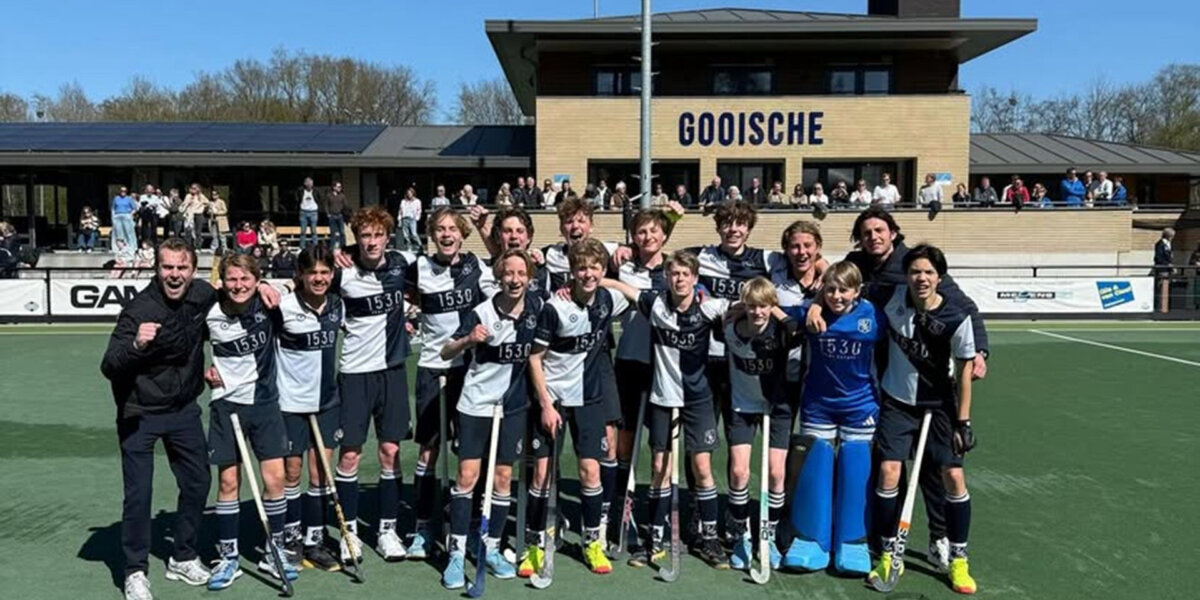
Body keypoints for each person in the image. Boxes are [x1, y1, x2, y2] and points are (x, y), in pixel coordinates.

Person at [100, 238, 280, 600]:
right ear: (157, 269)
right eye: (167, 267)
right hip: (139, 413)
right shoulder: (139, 309)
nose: (174, 274)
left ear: (193, 270)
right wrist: (136, 346)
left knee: (198, 482)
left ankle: (182, 556)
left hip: (183, 409)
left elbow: (235, 291)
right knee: (139, 494)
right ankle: (135, 570)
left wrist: (263, 285)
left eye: (182, 267)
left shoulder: (202, 295)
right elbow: (109, 364)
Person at [599, 252, 731, 569]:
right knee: (660, 466)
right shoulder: (656, 303)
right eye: (674, 274)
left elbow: (747, 305)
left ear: (695, 278)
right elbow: (624, 288)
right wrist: (595, 279)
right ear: (667, 278)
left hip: (698, 399)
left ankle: (709, 538)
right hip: (663, 397)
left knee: (701, 467)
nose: (679, 279)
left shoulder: (710, 307)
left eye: (685, 274)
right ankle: (655, 539)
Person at [867, 245, 980, 596]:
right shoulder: (891, 298)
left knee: (953, 475)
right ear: (906, 275)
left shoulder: (955, 316)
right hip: (897, 401)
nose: (921, 278)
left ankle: (958, 558)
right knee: (889, 471)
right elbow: (848, 288)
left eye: (929, 272)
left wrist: (963, 421)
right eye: (915, 271)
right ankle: (889, 553)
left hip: (940, 405)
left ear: (939, 277)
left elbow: (964, 371)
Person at [438, 249, 541, 589]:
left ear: (529, 278)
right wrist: (469, 340)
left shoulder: (537, 308)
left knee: (503, 478)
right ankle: (456, 553)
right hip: (476, 405)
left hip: (512, 406)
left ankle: (491, 548)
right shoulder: (481, 312)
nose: (515, 279)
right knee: (468, 477)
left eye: (521, 273)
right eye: (509, 273)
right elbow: (445, 351)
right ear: (499, 276)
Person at [528, 238, 629, 575]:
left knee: (591, 471)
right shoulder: (554, 307)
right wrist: (545, 404)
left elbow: (638, 294)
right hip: (553, 399)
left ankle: (591, 543)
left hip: (589, 397)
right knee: (542, 474)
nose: (588, 274)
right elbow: (535, 358)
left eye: (595, 268)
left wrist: (607, 281)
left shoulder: (608, 299)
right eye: (581, 268)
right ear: (571, 271)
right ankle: (535, 544)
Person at [404, 208, 497, 560]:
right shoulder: (418, 268)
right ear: (432, 235)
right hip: (432, 367)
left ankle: (470, 526)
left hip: (471, 369)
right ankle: (423, 526)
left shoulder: (476, 266)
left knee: (472, 451)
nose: (446, 234)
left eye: (452, 229)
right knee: (429, 451)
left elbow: (501, 287)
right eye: (440, 229)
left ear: (462, 234)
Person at [202, 253, 298, 590]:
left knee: (275, 479)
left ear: (256, 280)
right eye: (232, 278)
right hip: (226, 405)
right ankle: (228, 556)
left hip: (264, 403)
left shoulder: (267, 303)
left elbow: (295, 285)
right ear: (221, 281)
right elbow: (187, 348)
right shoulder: (210, 311)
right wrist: (203, 372)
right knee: (229, 482)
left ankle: (274, 551)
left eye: (245, 279)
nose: (238, 285)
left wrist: (270, 285)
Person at [783, 262, 884, 575]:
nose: (836, 296)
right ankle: (811, 538)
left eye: (843, 290)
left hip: (861, 406)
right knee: (816, 463)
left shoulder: (874, 315)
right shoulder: (811, 312)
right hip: (818, 405)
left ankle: (852, 541)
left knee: (856, 466)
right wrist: (812, 305)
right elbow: (774, 310)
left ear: (857, 291)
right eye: (830, 290)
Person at [330, 206, 417, 564]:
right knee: (350, 453)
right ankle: (348, 532)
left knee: (390, 452)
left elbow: (442, 271)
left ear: (387, 237)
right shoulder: (342, 270)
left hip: (392, 371)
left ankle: (387, 530)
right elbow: (305, 279)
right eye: (365, 235)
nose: (371, 242)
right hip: (354, 373)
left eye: (378, 235)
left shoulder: (402, 263)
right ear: (356, 238)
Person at [721, 278, 800, 573]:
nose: (757, 312)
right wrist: (739, 306)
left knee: (777, 473)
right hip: (743, 406)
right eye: (752, 306)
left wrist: (774, 309)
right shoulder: (730, 328)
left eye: (763, 306)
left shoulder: (781, 331)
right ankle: (741, 533)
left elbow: (795, 328)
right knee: (739, 471)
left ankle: (769, 535)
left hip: (777, 406)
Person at [275, 245, 344, 572]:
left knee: (320, 473)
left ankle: (314, 540)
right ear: (300, 275)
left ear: (332, 274)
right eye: (312, 272)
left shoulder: (338, 306)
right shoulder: (283, 307)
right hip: (290, 403)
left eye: (324, 272)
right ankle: (291, 537)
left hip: (327, 402)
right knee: (292, 472)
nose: (318, 278)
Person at [610, 209, 671, 553]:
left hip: (664, 367)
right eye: (641, 232)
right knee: (625, 444)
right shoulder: (623, 265)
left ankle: (659, 519)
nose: (648, 237)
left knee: (662, 449)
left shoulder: (675, 267)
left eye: (654, 231)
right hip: (629, 363)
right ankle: (624, 514)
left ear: (664, 235)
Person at [182, 184, 210, 250]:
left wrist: (202, 205)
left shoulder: (201, 196)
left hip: (199, 214)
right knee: (188, 230)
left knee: (198, 232)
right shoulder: (188, 196)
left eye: (195, 188)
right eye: (192, 188)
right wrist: (189, 202)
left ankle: (198, 246)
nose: (193, 190)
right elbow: (184, 204)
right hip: (190, 214)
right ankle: (189, 246)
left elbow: (207, 203)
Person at [111, 186, 138, 252]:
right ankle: (118, 247)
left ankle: (131, 246)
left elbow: (135, 208)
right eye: (122, 191)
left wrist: (130, 215)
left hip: (126, 215)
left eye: (124, 191)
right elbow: (113, 208)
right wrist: (113, 217)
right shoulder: (116, 198)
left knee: (128, 232)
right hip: (117, 216)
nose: (123, 192)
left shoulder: (129, 199)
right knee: (118, 232)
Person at [1155, 228, 1175, 314]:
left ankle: (1165, 307)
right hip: (1162, 269)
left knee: (1167, 288)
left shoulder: (1168, 244)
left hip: (1168, 270)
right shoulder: (1160, 244)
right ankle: (1160, 308)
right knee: (1161, 288)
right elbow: (1158, 258)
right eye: (1172, 236)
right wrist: (1167, 264)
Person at [297, 177, 321, 249]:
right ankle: (302, 247)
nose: (310, 184)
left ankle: (315, 246)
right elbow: (297, 199)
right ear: (305, 184)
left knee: (313, 231)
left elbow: (319, 199)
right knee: (303, 231)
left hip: (313, 213)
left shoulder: (315, 191)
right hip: (303, 213)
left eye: (311, 183)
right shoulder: (301, 191)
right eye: (308, 183)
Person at [398, 187, 423, 252]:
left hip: (412, 219)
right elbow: (400, 211)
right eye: (408, 193)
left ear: (413, 193)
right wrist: (399, 219)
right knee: (406, 235)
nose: (409, 195)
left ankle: (419, 246)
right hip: (404, 218)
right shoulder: (403, 201)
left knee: (414, 234)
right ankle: (409, 247)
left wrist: (417, 217)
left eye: (410, 193)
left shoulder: (417, 201)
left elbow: (419, 210)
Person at [326, 181, 348, 248]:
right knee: (333, 233)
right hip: (332, 216)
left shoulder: (342, 196)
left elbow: (345, 206)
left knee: (342, 232)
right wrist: (328, 213)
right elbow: (326, 205)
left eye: (340, 187)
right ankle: (332, 247)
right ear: (334, 187)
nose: (340, 188)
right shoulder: (329, 196)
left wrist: (345, 214)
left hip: (340, 216)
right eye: (338, 187)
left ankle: (343, 246)